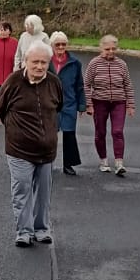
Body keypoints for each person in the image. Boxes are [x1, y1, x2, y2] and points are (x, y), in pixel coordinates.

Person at [0, 38, 63, 246]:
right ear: (26, 61)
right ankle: (24, 232)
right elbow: (1, 108)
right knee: (22, 190)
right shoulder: (13, 82)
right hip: (19, 150)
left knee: (43, 194)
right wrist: (16, 131)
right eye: (35, 62)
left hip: (46, 151)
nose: (39, 66)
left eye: (44, 62)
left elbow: (58, 106)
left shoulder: (54, 83)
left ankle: (41, 229)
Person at [84, 35, 135, 175]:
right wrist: (89, 104)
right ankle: (103, 161)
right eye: (107, 49)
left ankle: (119, 163)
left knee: (117, 132)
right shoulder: (94, 64)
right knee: (100, 132)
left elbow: (128, 85)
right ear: (101, 48)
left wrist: (130, 105)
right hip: (99, 102)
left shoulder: (122, 64)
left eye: (113, 49)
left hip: (119, 102)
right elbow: (86, 85)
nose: (111, 52)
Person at [49, 31, 87, 174]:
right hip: (50, 104)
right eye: (57, 44)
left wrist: (82, 105)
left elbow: (79, 85)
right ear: (52, 45)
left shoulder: (75, 63)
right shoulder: (46, 61)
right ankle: (46, 163)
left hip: (69, 102)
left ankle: (68, 164)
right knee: (49, 135)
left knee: (69, 134)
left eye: (63, 44)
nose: (61, 47)